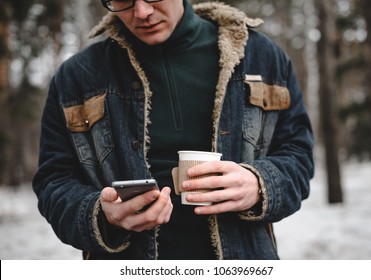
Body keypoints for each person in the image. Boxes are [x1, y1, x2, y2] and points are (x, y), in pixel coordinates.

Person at [32, 0, 314, 260]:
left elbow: (299, 159)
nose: (141, 12)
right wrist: (101, 215)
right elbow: (53, 182)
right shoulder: (76, 76)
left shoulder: (263, 57)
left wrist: (259, 184)